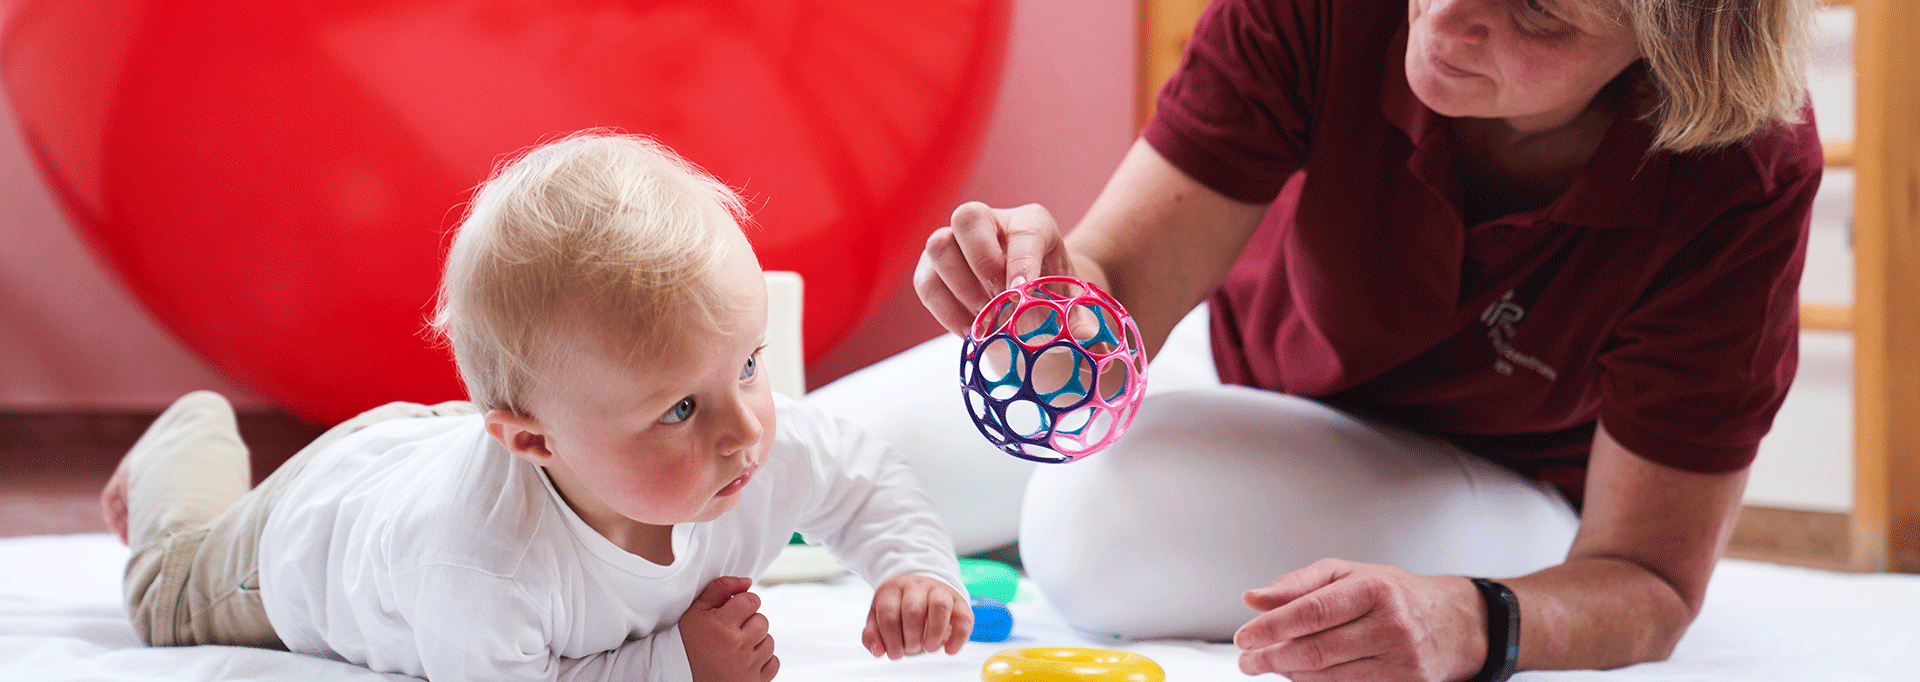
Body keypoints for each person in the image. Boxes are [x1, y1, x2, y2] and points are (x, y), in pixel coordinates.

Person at [915, 0, 1820, 680]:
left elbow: (1651, 580)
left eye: (1538, 12)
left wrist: (1477, 621)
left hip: (1501, 479)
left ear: (1673, 48)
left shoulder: (1743, 166)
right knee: (824, 462)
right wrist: (1037, 284)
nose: (1449, 17)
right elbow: (1123, 286)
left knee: (1091, 527)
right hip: (1244, 370)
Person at [100, 132, 973, 682]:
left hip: (449, 444)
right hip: (307, 532)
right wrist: (675, 666)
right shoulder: (480, 569)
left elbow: (862, 477)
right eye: (679, 409)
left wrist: (913, 568)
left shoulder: (739, 434)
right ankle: (183, 441)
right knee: (166, 592)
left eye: (748, 364)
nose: (745, 427)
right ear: (533, 438)